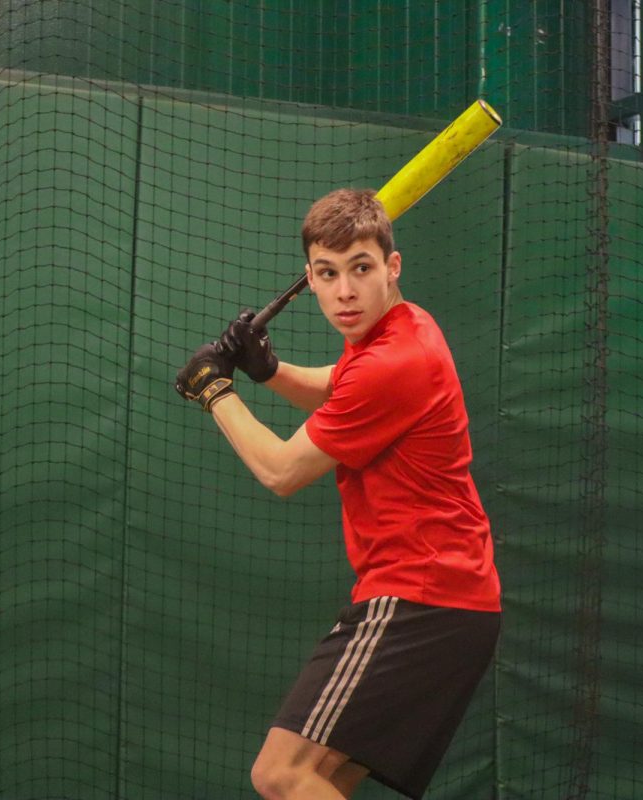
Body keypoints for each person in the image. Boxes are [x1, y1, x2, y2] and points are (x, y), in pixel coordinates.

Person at [174, 188, 502, 800]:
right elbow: (337, 388)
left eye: (361, 269)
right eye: (328, 274)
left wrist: (214, 391)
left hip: (421, 597)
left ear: (392, 267)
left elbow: (281, 471)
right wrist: (268, 371)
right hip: (454, 602)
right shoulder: (404, 329)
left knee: (281, 774)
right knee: (317, 782)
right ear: (311, 279)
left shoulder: (393, 361)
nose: (345, 292)